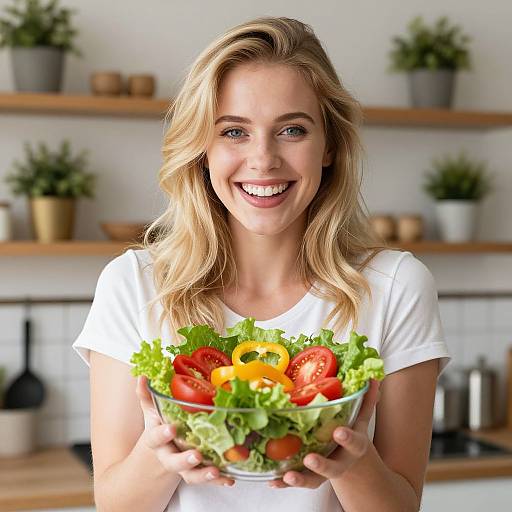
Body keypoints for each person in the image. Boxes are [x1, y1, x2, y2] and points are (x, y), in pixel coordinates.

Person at [73, 16, 450, 512]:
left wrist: (354, 462)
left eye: (292, 130)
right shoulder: (134, 284)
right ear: (202, 149)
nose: (263, 159)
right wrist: (157, 451)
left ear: (330, 145)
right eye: (234, 131)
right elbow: (114, 506)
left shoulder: (396, 286)